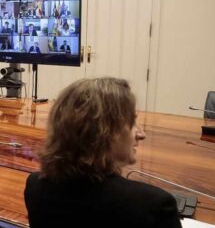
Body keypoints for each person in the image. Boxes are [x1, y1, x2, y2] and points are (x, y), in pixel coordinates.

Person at [24, 78, 181, 228]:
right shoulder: (155, 206)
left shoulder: (35, 186)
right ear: (104, 132)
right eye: (132, 123)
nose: (142, 134)